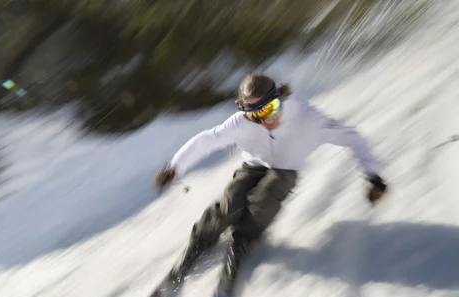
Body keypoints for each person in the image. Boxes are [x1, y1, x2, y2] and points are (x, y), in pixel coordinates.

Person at [154, 73, 387, 271]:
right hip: (253, 166)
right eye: (256, 114)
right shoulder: (241, 123)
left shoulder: (308, 119)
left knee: (267, 196)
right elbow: (205, 141)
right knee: (231, 201)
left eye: (271, 109)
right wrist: (175, 167)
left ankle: (246, 236)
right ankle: (203, 237)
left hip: (285, 169)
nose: (266, 119)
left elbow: (352, 138)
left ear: (280, 98)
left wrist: (373, 175)